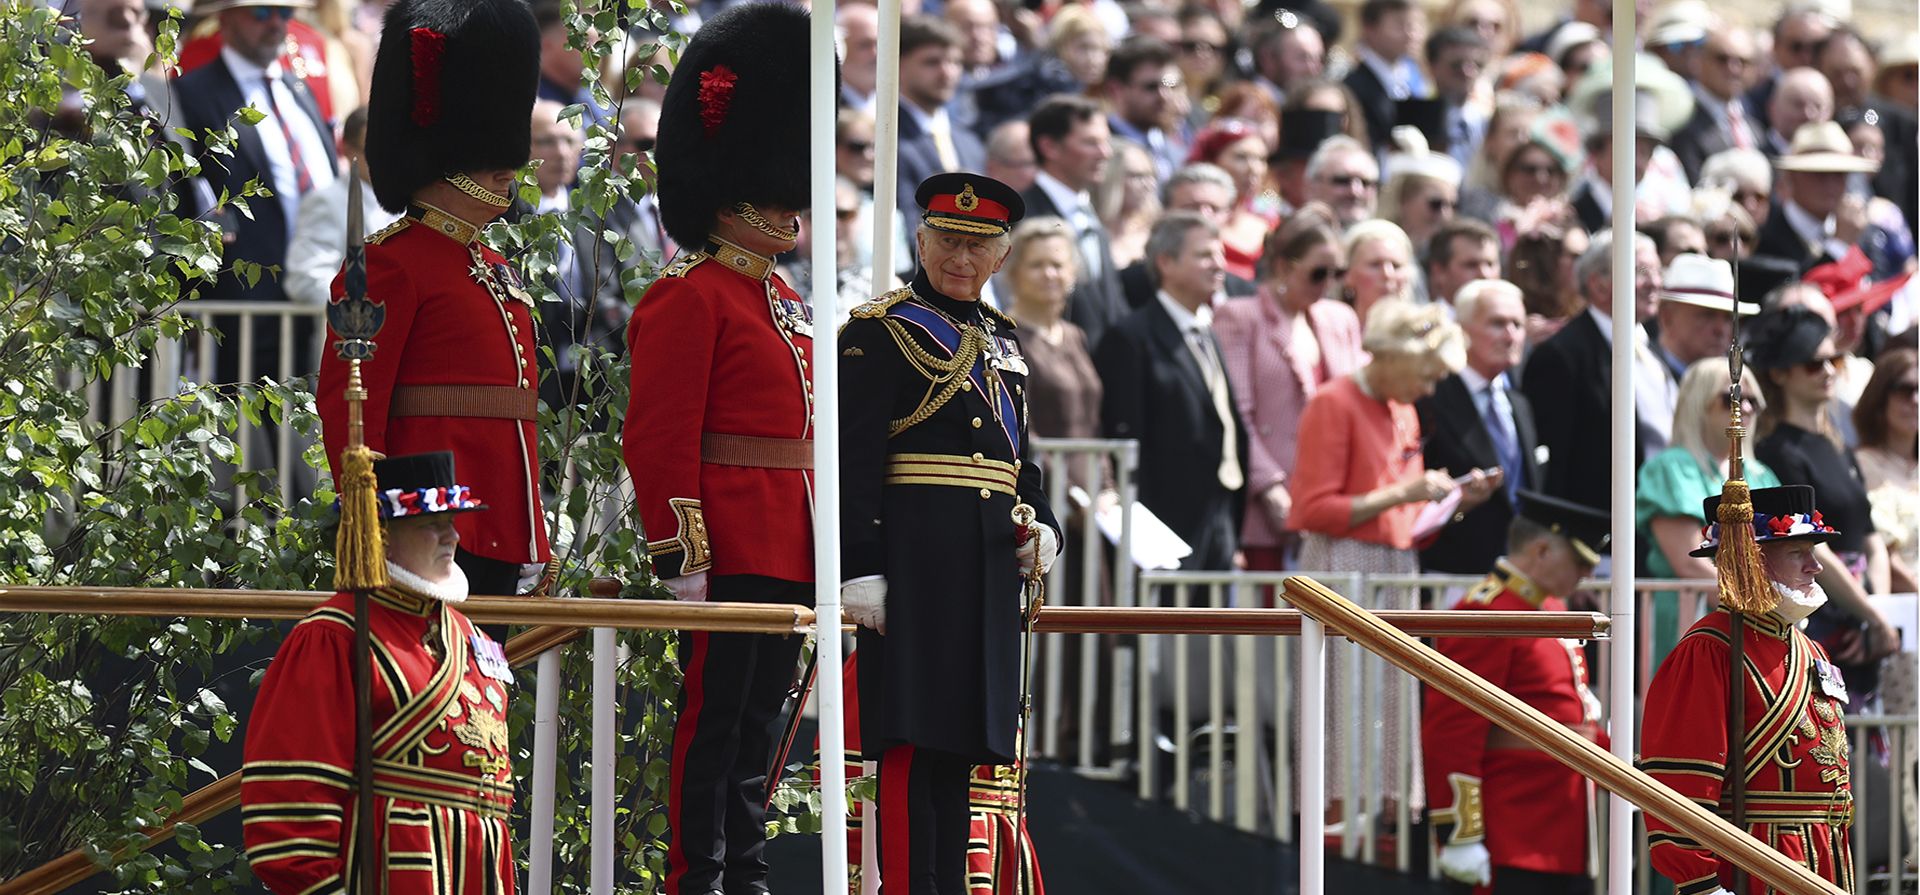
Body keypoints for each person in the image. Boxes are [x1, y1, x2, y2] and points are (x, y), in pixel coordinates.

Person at [620, 7, 818, 894]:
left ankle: (746, 866)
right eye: (770, 194)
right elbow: (659, 433)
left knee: (762, 726)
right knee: (717, 719)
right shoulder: (691, 294)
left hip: (791, 539)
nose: (787, 208)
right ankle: (699, 873)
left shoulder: (783, 299)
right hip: (731, 540)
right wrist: (682, 548)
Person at [838, 172, 1061, 895]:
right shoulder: (879, 331)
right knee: (909, 741)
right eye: (947, 241)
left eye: (977, 245)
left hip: (986, 565)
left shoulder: (1004, 339)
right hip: (914, 562)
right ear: (920, 239)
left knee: (963, 745)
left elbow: (1019, 464)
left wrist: (1044, 526)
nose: (959, 257)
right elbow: (852, 460)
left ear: (1000, 256)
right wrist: (862, 565)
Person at [316, 0, 549, 600]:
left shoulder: (491, 265)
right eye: (488, 157)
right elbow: (351, 405)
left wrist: (532, 535)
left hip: (502, 525)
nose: (507, 170)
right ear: (443, 156)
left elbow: (512, 419)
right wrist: (381, 523)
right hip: (429, 528)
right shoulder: (391, 264)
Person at [241, 451, 515, 894]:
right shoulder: (335, 636)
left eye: (452, 521)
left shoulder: (467, 635)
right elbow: (290, 809)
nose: (452, 537)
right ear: (381, 536)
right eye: (432, 524)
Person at [1642, 483, 1854, 895]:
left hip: (1824, 855)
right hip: (1755, 860)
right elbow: (1680, 780)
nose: (1816, 566)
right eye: (1798, 553)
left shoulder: (1811, 649)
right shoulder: (1709, 649)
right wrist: (1701, 883)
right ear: (1752, 562)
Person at [1423, 491, 1609, 895]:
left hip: (1561, 825)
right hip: (1515, 833)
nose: (1586, 575)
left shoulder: (1550, 608)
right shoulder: (1485, 614)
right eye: (1580, 561)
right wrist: (1460, 833)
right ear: (1542, 550)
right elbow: (1453, 731)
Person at [173, 0, 339, 380]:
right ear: (225, 19)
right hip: (243, 308)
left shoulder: (297, 88)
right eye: (262, 12)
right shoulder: (193, 93)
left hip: (318, 302)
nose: (277, 22)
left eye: (286, 12)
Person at [1214, 204, 1367, 571]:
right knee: (1270, 624)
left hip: (1332, 503)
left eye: (1337, 273)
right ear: (1283, 265)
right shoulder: (1240, 317)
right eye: (1317, 273)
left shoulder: (1339, 319)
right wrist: (1270, 488)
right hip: (1268, 508)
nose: (1328, 283)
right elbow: (1238, 415)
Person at [1096, 211, 1247, 571]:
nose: (1219, 265)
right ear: (1166, 262)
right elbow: (1125, 432)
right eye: (1204, 255)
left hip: (1219, 510)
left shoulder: (1208, 331)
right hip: (1163, 521)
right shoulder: (1131, 336)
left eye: (1221, 254)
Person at [1522, 229, 1667, 511]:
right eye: (1642, 271)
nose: (1654, 283)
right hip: (1600, 532)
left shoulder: (1652, 347)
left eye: (1659, 272)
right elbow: (1556, 463)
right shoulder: (1561, 356)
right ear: (1599, 285)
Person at [1751, 308, 1892, 596]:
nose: (1828, 371)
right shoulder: (1775, 451)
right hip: (1820, 605)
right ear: (1779, 374)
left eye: (1834, 360)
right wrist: (1865, 611)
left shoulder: (1837, 445)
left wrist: (1877, 607)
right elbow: (1813, 547)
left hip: (1864, 606)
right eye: (1813, 364)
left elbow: (1870, 536)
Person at [1416, 280, 1544, 576]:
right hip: (1451, 578)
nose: (1511, 335)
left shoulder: (1519, 402)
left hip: (1516, 577)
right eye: (1497, 323)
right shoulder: (1431, 396)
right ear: (1461, 330)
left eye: (1518, 324)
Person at [1024, 95, 1125, 347]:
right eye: (1091, 143)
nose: (1106, 153)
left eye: (1105, 141)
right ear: (1049, 147)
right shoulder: (1022, 219)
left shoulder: (1090, 213)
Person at [285, 107, 403, 307]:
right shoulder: (326, 202)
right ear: (347, 150)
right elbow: (306, 279)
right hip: (357, 331)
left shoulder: (416, 200)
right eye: (374, 150)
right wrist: (365, 305)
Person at [1757, 121, 1877, 274]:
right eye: (1818, 174)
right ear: (1791, 177)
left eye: (1839, 174)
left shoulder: (1862, 232)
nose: (1830, 184)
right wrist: (1838, 246)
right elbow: (1794, 290)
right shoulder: (1766, 236)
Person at [896, 17, 985, 222]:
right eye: (932, 62)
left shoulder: (969, 141)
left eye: (955, 62)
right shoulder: (885, 137)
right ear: (898, 66)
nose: (947, 73)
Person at [1853, 348, 1919, 593]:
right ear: (1880, 399)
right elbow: (1882, 555)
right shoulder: (1862, 463)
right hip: (1900, 611)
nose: (1916, 399)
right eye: (1905, 390)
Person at [1183, 119, 1275, 282]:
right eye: (1241, 157)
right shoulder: (1191, 224)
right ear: (1212, 161)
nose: (1254, 169)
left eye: (1261, 159)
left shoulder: (1271, 220)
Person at [1671, 27, 1763, 184]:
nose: (1734, 69)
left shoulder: (1755, 126)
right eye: (1722, 59)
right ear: (1698, 61)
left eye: (1743, 61)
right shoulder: (1682, 121)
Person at [1342, 219, 1418, 324]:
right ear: (1348, 274)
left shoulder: (1426, 336)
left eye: (1396, 266)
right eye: (1375, 265)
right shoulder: (1329, 332)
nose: (1388, 274)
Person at [1303, 135, 1380, 232]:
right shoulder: (1291, 240)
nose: (1355, 192)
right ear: (1312, 187)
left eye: (1365, 183)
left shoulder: (1389, 242)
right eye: (1343, 181)